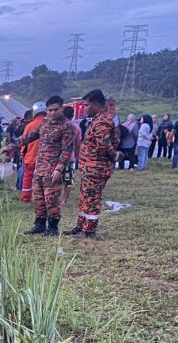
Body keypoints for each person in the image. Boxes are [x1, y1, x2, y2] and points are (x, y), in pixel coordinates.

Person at [9, 95, 77, 236]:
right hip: (39, 167)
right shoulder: (45, 123)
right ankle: (39, 225)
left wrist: (59, 169)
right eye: (49, 110)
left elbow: (67, 150)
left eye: (55, 110)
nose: (52, 113)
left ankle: (52, 227)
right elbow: (29, 137)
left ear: (61, 108)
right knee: (38, 198)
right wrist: (11, 146)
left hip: (53, 169)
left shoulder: (67, 126)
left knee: (51, 199)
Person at [65, 89, 120, 238]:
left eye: (87, 105)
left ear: (96, 104)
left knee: (92, 199)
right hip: (90, 166)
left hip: (96, 168)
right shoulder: (97, 119)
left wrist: (115, 156)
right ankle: (80, 227)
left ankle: (89, 231)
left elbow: (104, 145)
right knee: (84, 197)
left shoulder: (102, 121)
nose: (85, 109)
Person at [19, 102, 47, 202]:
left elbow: (23, 142)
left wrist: (22, 153)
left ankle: (26, 197)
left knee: (27, 177)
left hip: (30, 157)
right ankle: (42, 198)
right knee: (44, 179)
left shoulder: (30, 126)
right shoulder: (49, 125)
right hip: (46, 160)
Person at [61, 105, 82, 207]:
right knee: (68, 180)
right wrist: (77, 156)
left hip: (57, 158)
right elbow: (78, 144)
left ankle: (54, 198)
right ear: (73, 115)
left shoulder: (59, 127)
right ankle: (64, 200)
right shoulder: (76, 128)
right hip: (70, 158)